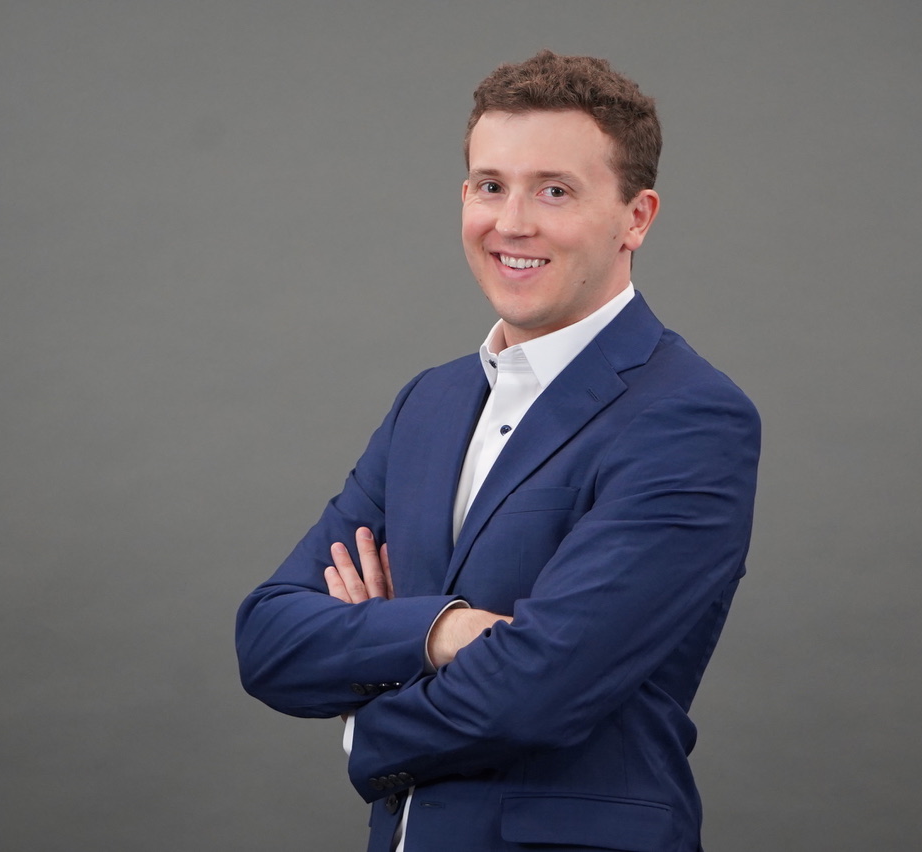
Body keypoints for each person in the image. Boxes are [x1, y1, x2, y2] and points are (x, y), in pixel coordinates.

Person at [236, 50, 760, 852]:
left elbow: (537, 691)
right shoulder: (430, 404)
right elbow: (269, 638)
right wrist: (441, 631)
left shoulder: (690, 418)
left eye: (555, 190)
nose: (511, 222)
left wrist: (365, 721)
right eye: (490, 185)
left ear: (637, 217)